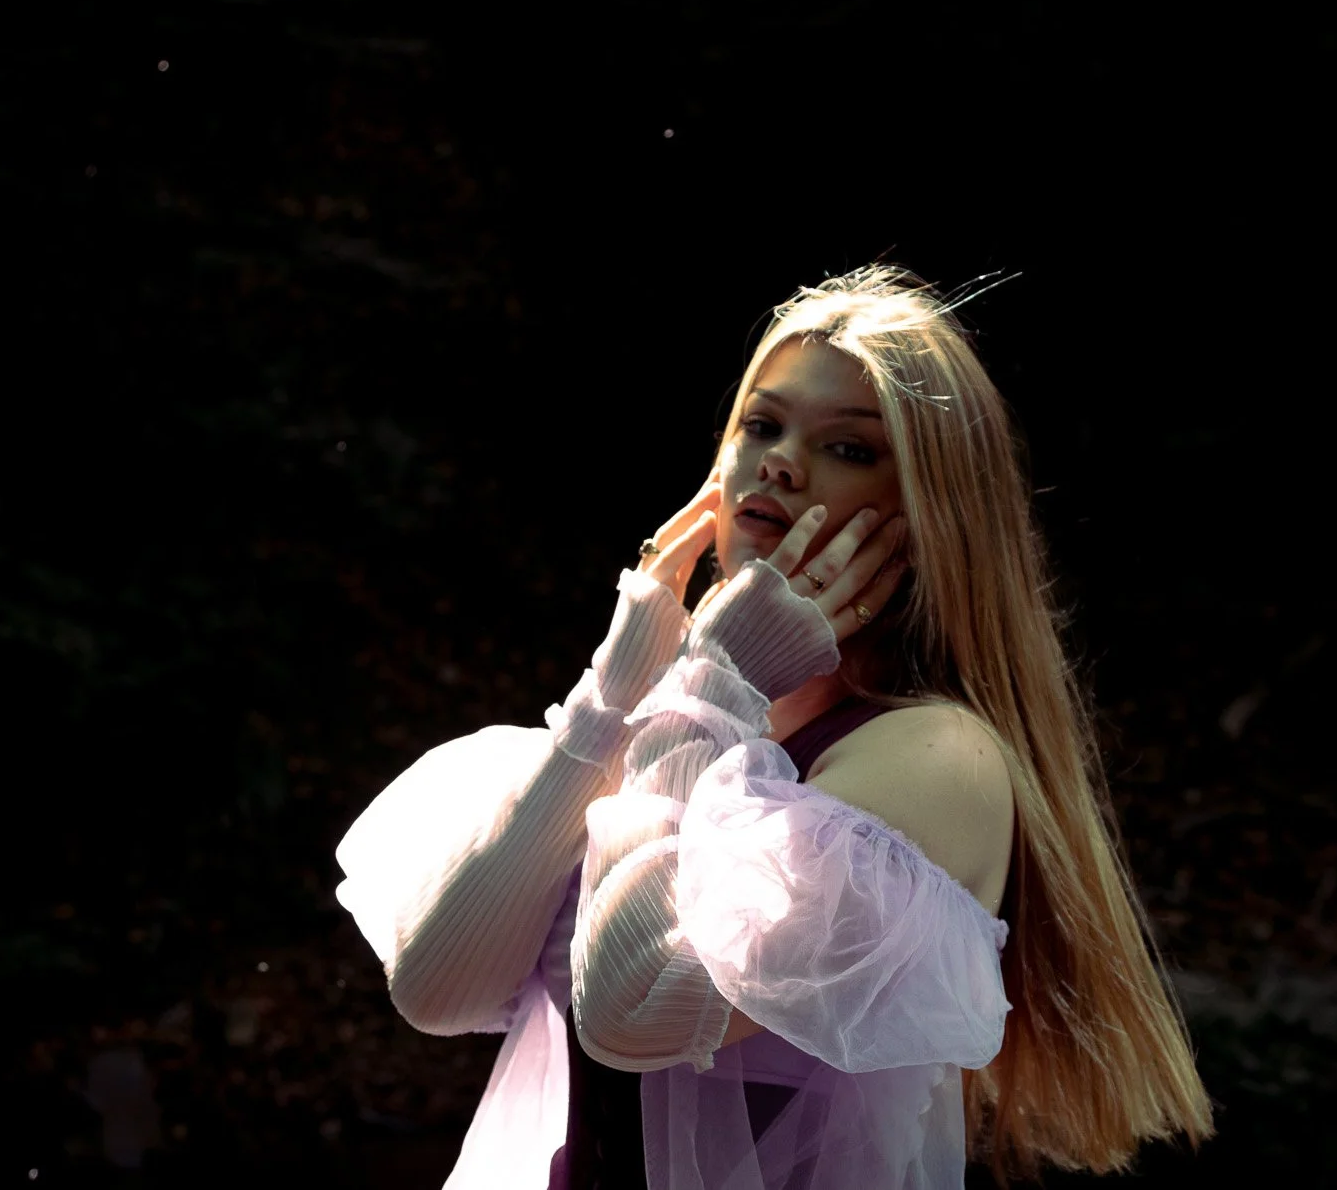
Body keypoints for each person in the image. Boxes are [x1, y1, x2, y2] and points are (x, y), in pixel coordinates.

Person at [335, 266, 1215, 1188]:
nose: (781, 461)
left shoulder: (930, 754)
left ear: (929, 515)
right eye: (763, 424)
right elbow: (440, 988)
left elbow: (635, 1011)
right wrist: (613, 696)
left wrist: (710, 687)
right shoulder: (682, 720)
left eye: (848, 447)